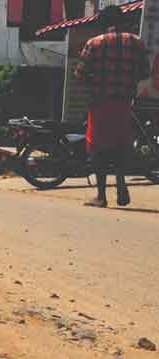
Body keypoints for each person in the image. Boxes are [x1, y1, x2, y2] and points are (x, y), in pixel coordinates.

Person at [74, 5, 150, 208]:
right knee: (120, 145)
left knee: (98, 148)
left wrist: (96, 80)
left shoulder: (94, 43)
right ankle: (122, 186)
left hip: (99, 103)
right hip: (124, 102)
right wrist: (127, 80)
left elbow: (79, 75)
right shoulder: (137, 43)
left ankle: (101, 195)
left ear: (103, 23)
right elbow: (145, 72)